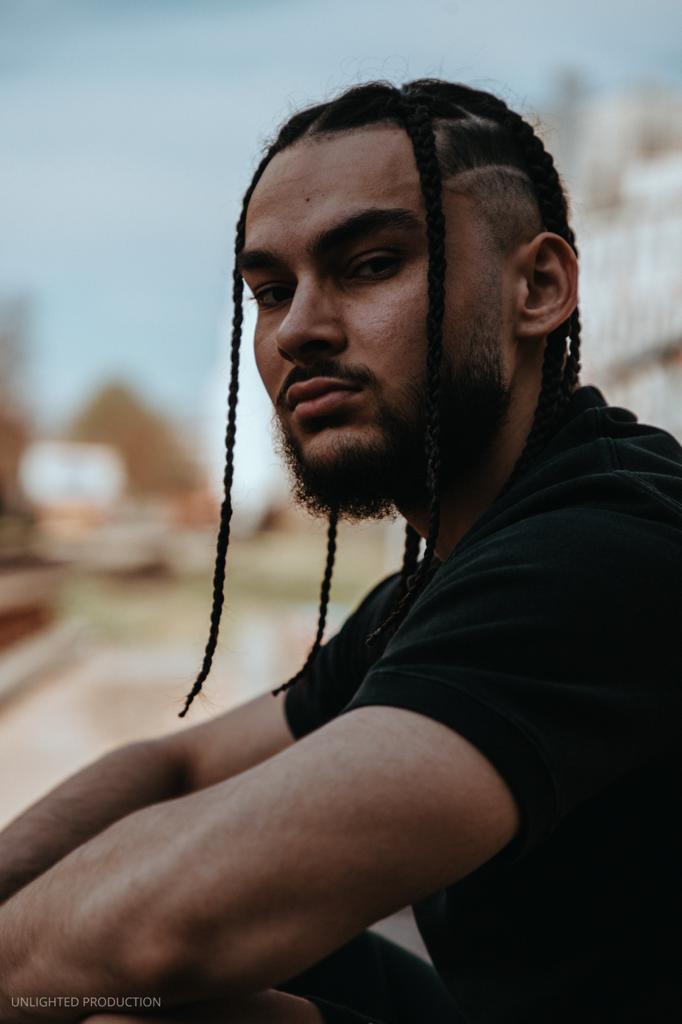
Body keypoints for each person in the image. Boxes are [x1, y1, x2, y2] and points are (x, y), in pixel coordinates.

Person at [1, 79, 681, 1024]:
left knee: (131, 974)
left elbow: (168, 928)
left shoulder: (604, 550)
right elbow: (178, 769)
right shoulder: (442, 579)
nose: (298, 331)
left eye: (369, 265)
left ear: (538, 289)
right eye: (271, 291)